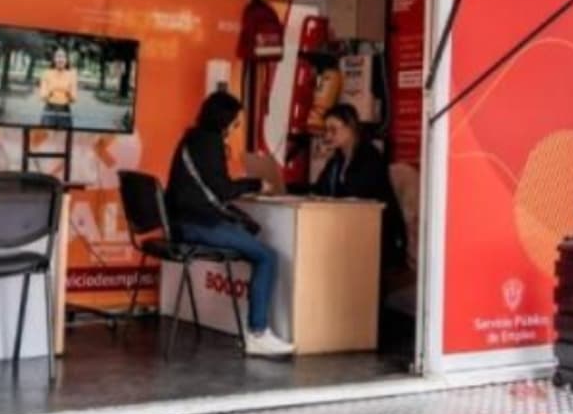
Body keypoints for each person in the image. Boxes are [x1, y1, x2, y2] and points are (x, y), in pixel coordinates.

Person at [166, 92, 293, 357]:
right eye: (236, 123)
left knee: (255, 246)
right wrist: (256, 184)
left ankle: (256, 331)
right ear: (224, 120)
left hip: (183, 222)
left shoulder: (192, 139)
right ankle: (258, 333)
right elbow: (222, 191)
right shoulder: (210, 142)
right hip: (199, 224)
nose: (236, 128)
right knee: (267, 257)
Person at [314, 104, 407, 270]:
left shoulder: (370, 156)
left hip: (375, 232)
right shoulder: (336, 161)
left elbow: (358, 196)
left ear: (350, 127)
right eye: (326, 130)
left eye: (333, 130)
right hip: (347, 230)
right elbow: (318, 190)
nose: (328, 136)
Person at [38, 48, 77, 128]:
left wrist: (68, 92)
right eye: (58, 56)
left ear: (66, 60)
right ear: (54, 59)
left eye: (63, 57)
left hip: (65, 110)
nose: (60, 59)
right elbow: (42, 97)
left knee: (64, 134)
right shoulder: (47, 73)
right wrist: (51, 90)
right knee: (46, 133)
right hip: (49, 109)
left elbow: (74, 99)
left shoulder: (72, 75)